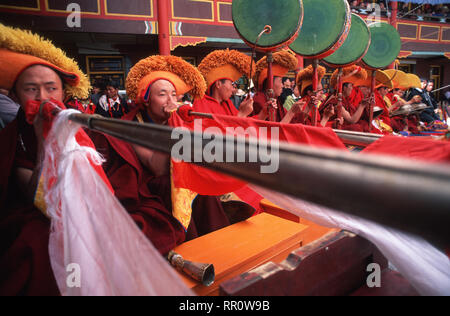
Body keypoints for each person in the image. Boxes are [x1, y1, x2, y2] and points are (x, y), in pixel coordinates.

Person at [89, 55, 234, 248]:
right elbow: (157, 168)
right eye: (162, 94)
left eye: (174, 95)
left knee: (202, 179)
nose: (170, 100)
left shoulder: (179, 118)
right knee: (176, 184)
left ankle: (219, 243)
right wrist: (176, 126)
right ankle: (192, 247)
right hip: (153, 184)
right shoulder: (134, 126)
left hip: (181, 174)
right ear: (147, 100)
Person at [0, 23, 93, 295]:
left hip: (85, 205)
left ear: (64, 93)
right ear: (15, 95)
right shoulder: (12, 137)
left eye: (51, 88)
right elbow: (34, 195)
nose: (43, 98)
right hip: (42, 214)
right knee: (36, 243)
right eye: (31, 89)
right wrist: (43, 140)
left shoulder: (83, 125)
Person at [193, 49, 255, 118]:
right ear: (218, 84)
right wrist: (242, 114)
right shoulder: (201, 102)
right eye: (231, 84)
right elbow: (213, 128)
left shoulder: (227, 103)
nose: (233, 89)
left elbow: (245, 123)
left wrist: (263, 114)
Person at [251, 50, 299, 122]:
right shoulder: (259, 100)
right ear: (270, 83)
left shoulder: (276, 100)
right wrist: (291, 112)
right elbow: (273, 130)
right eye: (280, 81)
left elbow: (292, 122)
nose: (282, 85)